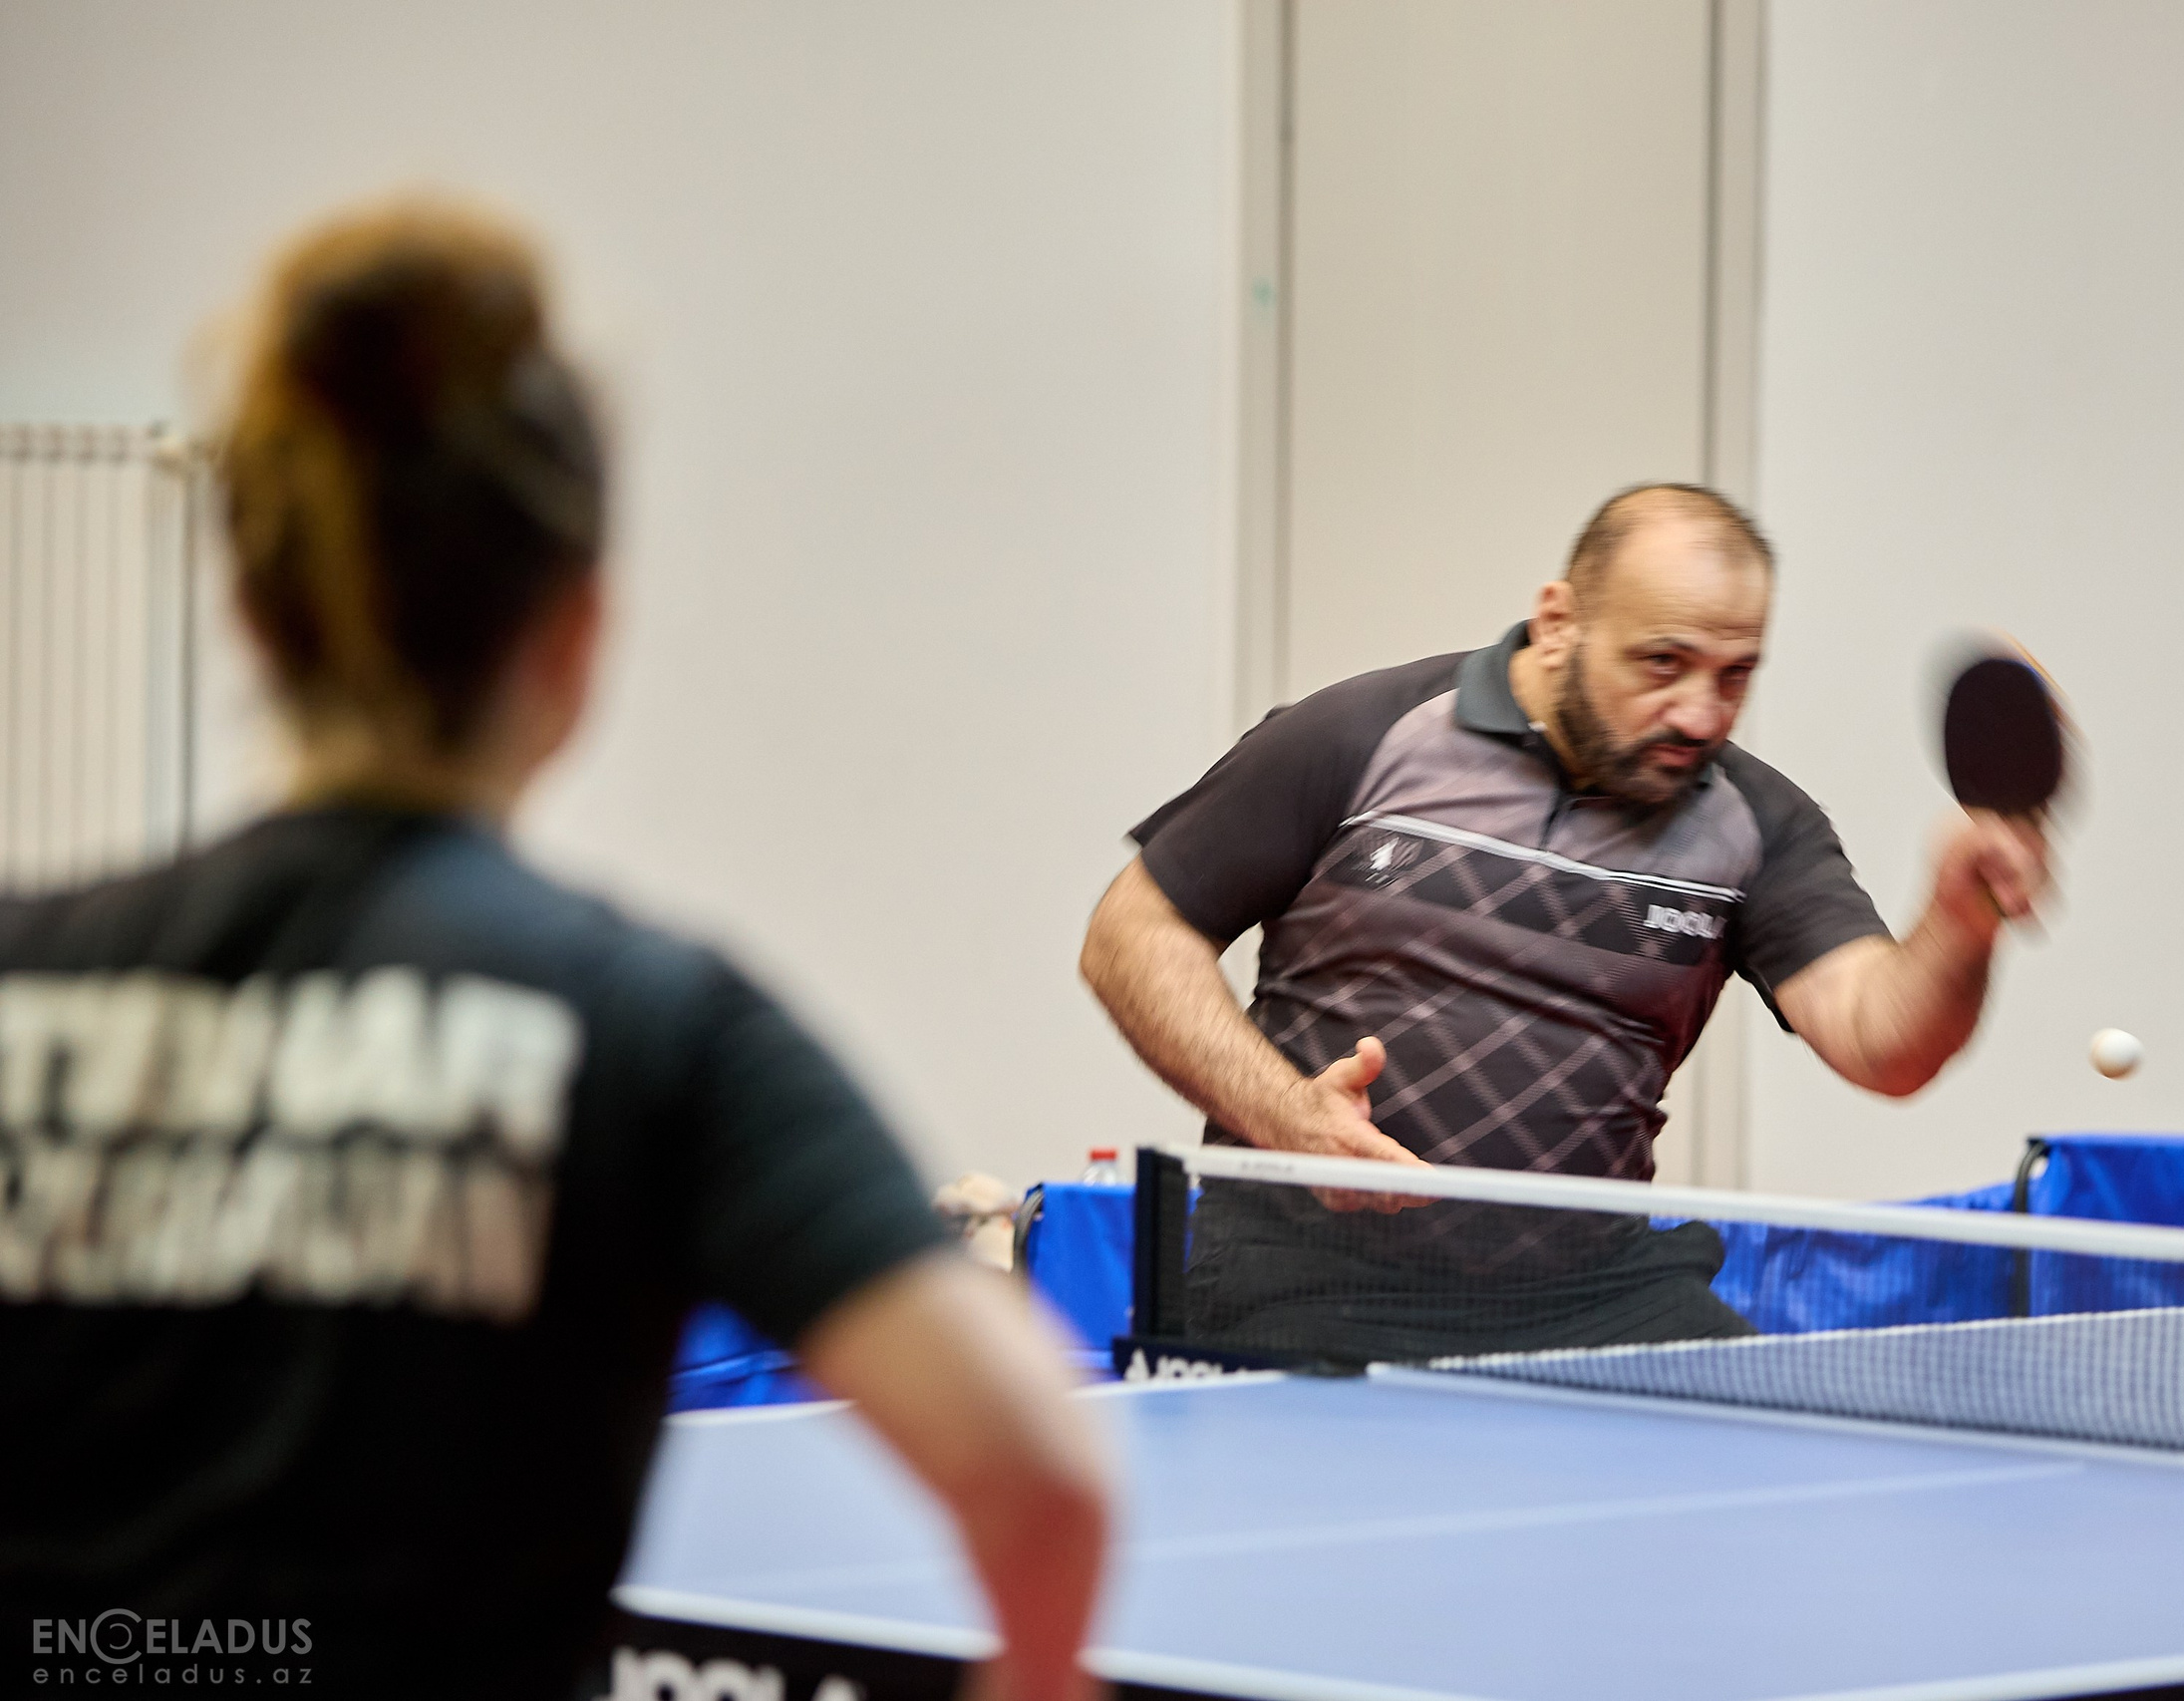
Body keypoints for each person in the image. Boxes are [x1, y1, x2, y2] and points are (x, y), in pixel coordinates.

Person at [0, 200, 1107, 1700]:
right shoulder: (648, 1021)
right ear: (576, 635)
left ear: (255, 617)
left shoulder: (27, 976)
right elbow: (1043, 1484)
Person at [1080, 485, 2049, 1359]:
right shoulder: (1363, 734)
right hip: (1304, 1280)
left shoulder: (1756, 824)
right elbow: (1132, 933)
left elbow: (1884, 1041)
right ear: (1558, 621)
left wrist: (1960, 922)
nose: (1700, 711)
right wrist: (1283, 1113)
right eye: (1662, 662)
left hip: (1594, 1293)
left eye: (1733, 674)